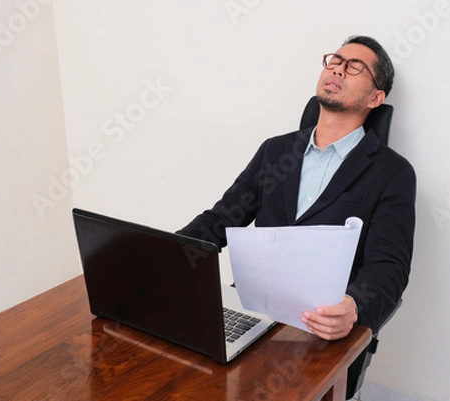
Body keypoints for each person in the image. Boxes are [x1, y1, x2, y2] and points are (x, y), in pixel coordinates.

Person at [177, 35, 416, 398]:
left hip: (323, 334)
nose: (337, 68)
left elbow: (389, 267)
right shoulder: (275, 151)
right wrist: (167, 255)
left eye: (354, 66)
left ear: (375, 98)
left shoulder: (391, 172)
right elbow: (221, 220)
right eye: (334, 60)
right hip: (253, 315)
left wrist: (352, 308)